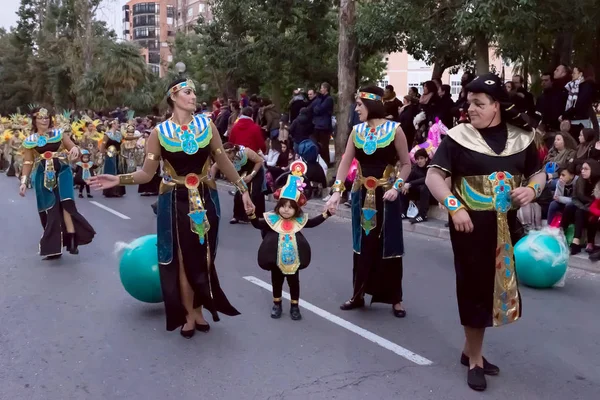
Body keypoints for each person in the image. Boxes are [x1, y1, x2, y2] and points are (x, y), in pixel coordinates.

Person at [90, 78, 255, 338]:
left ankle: (200, 308)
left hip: (205, 197)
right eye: (188, 92)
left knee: (204, 255)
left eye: (194, 92)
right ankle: (188, 314)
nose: (193, 96)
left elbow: (223, 163)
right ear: (174, 97)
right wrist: (117, 179)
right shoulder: (159, 133)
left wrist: (244, 191)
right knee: (180, 258)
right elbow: (147, 173)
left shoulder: (207, 126)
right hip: (174, 199)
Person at [425, 73, 546, 391]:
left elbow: (538, 174)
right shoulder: (457, 138)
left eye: (479, 104)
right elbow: (434, 178)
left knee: (496, 289)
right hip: (469, 226)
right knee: (473, 288)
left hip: (508, 226)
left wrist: (532, 191)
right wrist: (455, 206)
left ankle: (469, 350)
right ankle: (476, 360)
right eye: (469, 103)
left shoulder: (522, 138)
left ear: (497, 106)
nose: (471, 109)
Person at [325, 86, 411, 318]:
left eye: (359, 105)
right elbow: (345, 162)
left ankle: (395, 298)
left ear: (371, 105)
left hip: (387, 196)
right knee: (362, 244)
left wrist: (397, 187)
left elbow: (406, 164)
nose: (356, 109)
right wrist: (336, 191)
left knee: (389, 244)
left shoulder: (395, 130)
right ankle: (358, 293)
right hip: (361, 195)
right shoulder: (357, 131)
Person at [248, 160, 332, 320]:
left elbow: (312, 223)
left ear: (296, 209)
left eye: (290, 207)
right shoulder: (271, 219)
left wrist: (326, 214)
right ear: (278, 205)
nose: (286, 210)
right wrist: (251, 215)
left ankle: (295, 306)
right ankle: (277, 304)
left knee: (294, 283)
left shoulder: (298, 221)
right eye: (283, 206)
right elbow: (257, 224)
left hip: (294, 259)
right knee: (277, 281)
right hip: (275, 259)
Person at [19, 107, 96, 260]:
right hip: (43, 174)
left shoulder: (59, 134)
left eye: (47, 117)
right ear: (35, 120)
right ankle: (54, 247)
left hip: (62, 171)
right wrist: (23, 181)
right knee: (50, 208)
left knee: (66, 202)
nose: (44, 120)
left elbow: (72, 146)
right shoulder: (30, 140)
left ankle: (73, 238)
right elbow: (28, 161)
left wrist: (75, 150)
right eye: (40, 118)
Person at [211, 143, 265, 224]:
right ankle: (237, 216)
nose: (226, 158)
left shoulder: (246, 152)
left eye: (227, 156)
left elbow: (259, 161)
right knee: (239, 193)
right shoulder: (225, 160)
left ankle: (255, 215)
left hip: (255, 171)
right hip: (241, 174)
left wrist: (251, 175)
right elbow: (214, 167)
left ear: (231, 152)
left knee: (253, 191)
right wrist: (211, 180)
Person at [560, 160, 600, 254]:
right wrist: (583, 207)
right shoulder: (580, 180)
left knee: (579, 211)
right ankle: (561, 232)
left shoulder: (598, 183)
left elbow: (596, 203)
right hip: (582, 209)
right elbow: (575, 198)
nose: (582, 171)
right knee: (570, 207)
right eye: (582, 168)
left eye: (586, 169)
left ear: (593, 170)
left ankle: (579, 241)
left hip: (594, 211)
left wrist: (586, 208)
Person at [400, 149, 433, 224]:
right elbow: (408, 180)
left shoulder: (431, 167)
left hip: (431, 195)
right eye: (417, 159)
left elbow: (427, 178)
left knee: (424, 187)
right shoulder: (415, 168)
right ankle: (404, 212)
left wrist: (410, 184)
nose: (419, 161)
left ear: (426, 158)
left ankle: (423, 215)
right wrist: (406, 185)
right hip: (419, 194)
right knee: (402, 187)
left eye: (421, 158)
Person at [310, 82, 334, 165]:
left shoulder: (329, 99)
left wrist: (316, 108)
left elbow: (319, 109)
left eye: (321, 88)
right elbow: (313, 108)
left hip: (324, 126)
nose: (320, 90)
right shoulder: (321, 99)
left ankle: (326, 162)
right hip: (318, 125)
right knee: (317, 144)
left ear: (325, 89)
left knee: (324, 146)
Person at [100, 120, 126, 198]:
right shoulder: (107, 134)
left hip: (118, 155)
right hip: (110, 156)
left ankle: (118, 191)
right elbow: (102, 147)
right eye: (117, 123)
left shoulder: (119, 134)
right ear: (113, 124)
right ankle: (110, 191)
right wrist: (107, 152)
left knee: (119, 172)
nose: (118, 125)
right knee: (111, 172)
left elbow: (126, 139)